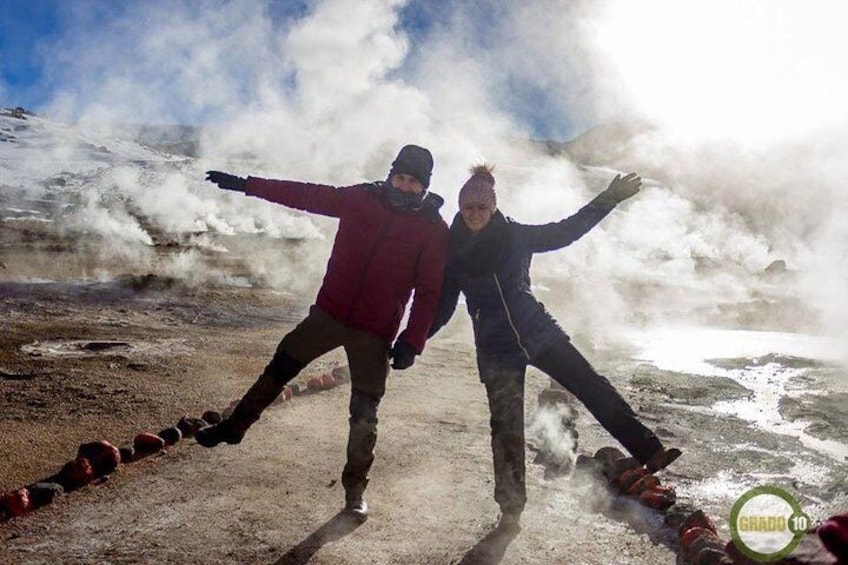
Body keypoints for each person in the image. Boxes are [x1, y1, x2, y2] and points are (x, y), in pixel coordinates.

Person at [198, 145, 449, 521]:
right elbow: (306, 194)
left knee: (364, 413)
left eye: (413, 182)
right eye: (400, 177)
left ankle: (354, 493)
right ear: (391, 174)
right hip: (329, 313)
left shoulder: (433, 230)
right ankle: (235, 427)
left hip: (375, 331)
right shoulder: (361, 199)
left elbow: (430, 292)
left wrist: (412, 341)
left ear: (425, 187)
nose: (404, 185)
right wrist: (247, 185)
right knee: (281, 364)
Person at [429, 164, 681, 529]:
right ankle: (510, 508)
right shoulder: (454, 251)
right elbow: (445, 303)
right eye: (468, 208)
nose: (474, 215)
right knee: (506, 427)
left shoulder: (515, 236)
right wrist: (415, 338)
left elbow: (566, 231)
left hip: (538, 330)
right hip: (495, 346)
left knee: (591, 385)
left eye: (481, 208)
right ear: (460, 208)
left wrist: (608, 199)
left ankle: (649, 450)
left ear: (493, 208)